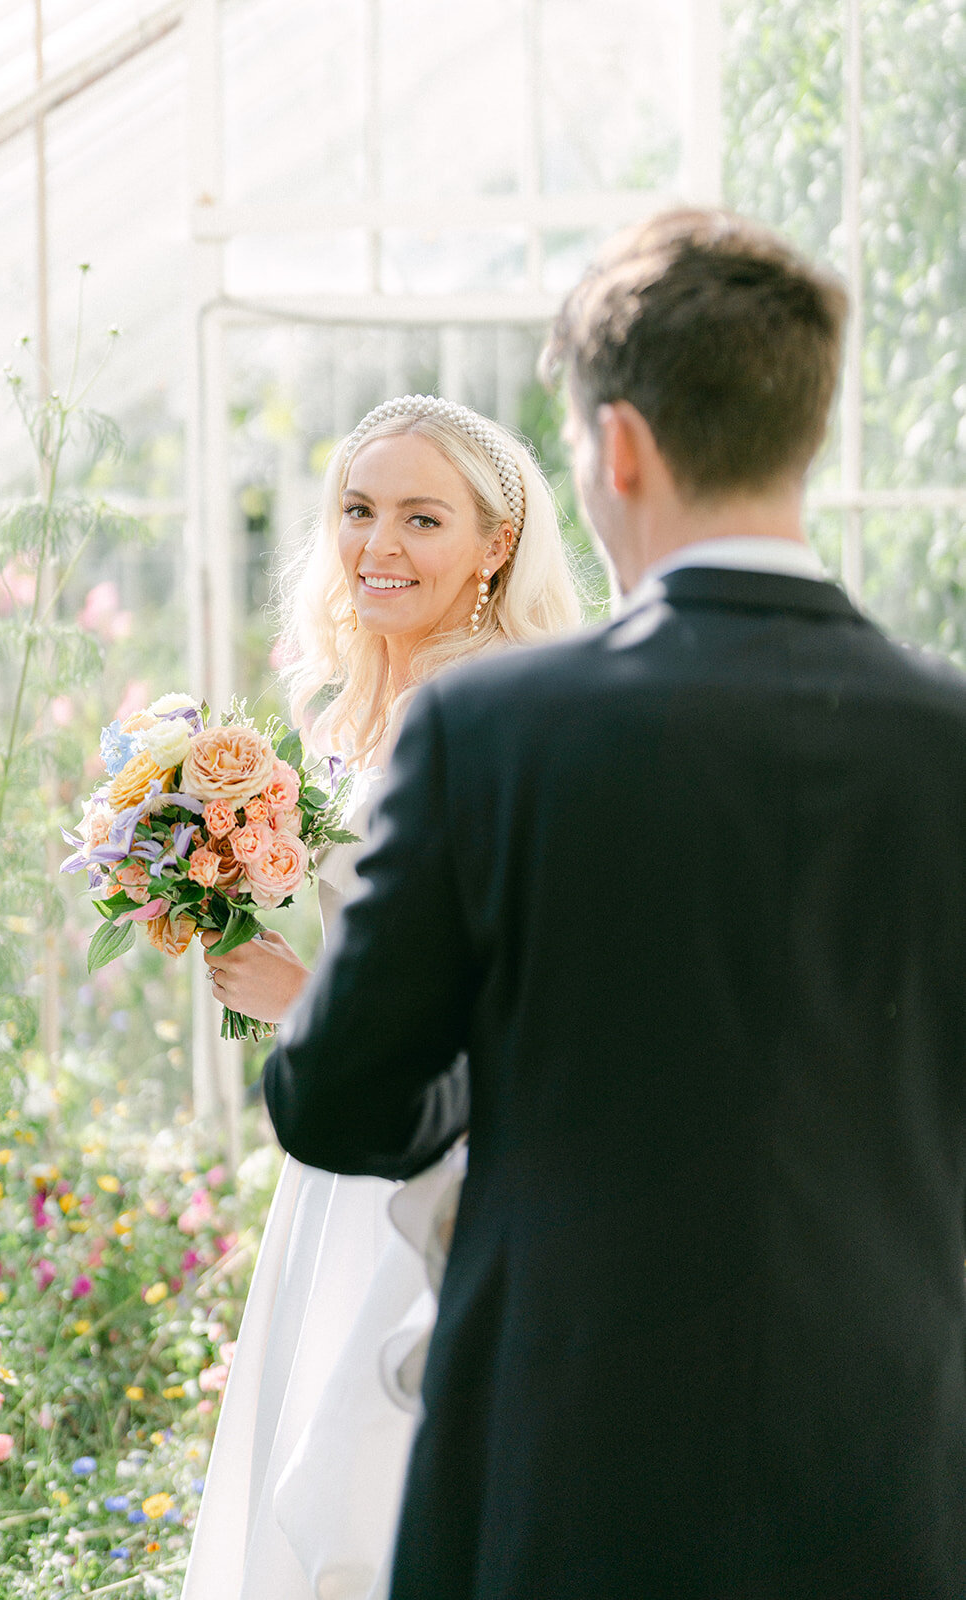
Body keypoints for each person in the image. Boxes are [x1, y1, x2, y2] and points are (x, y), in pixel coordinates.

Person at [262, 208, 966, 1599]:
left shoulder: (486, 731)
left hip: (563, 1441)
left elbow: (340, 1103)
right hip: (889, 1443)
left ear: (618, 445)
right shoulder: (947, 739)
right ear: (806, 430)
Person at [181, 395, 583, 1600]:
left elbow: (513, 986)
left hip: (425, 1152)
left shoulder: (481, 707)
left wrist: (302, 993)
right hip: (346, 1148)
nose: (377, 545)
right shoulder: (372, 707)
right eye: (358, 510)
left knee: (375, 1493)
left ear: (495, 545)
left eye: (421, 517)